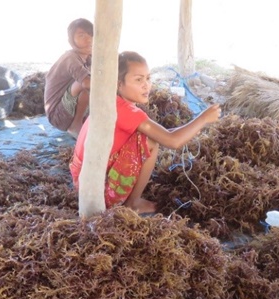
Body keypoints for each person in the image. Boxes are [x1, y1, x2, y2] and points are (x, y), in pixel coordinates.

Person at [70, 51, 221, 214]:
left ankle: (131, 199)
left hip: (83, 180)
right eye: (138, 80)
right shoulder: (126, 110)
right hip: (97, 191)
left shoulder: (112, 102)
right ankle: (132, 203)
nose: (146, 85)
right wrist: (203, 119)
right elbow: (172, 141)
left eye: (148, 78)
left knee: (150, 137)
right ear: (118, 84)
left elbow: (164, 134)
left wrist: (189, 129)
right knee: (150, 142)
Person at [44, 18, 94, 137]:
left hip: (69, 110)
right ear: (71, 40)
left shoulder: (89, 57)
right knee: (87, 83)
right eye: (81, 35)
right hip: (58, 116)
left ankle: (83, 121)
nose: (88, 39)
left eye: (91, 34)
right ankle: (75, 126)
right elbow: (87, 83)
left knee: (94, 80)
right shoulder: (70, 58)